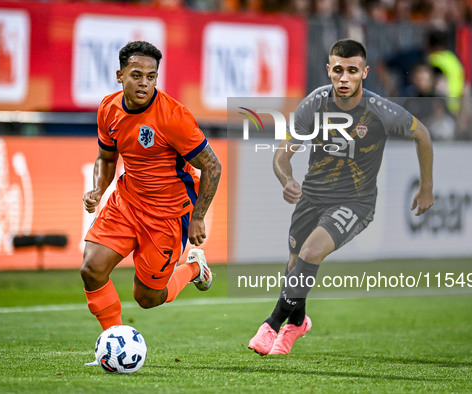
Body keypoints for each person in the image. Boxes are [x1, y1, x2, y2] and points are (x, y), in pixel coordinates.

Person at [248, 39, 434, 355]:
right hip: (312, 198)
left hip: (355, 202)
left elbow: (422, 134)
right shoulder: (314, 104)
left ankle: (271, 325)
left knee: (309, 252)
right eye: (338, 70)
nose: (344, 77)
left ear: (364, 73)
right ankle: (298, 322)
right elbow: (282, 154)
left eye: (351, 71)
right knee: (295, 266)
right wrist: (287, 178)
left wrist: (426, 187)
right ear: (328, 71)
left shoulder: (379, 110)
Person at [80, 41, 222, 336]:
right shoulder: (108, 109)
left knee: (147, 298)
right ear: (120, 75)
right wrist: (98, 189)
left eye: (151, 76)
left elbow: (213, 167)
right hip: (127, 203)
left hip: (167, 216)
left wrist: (198, 217)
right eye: (136, 75)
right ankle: (115, 339)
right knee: (91, 269)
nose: (144, 83)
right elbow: (107, 157)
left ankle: (195, 268)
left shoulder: (173, 117)